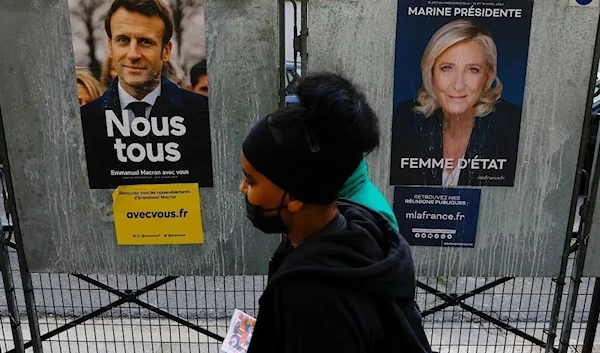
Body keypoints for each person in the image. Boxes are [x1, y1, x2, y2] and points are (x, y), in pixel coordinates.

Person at [240, 72, 431, 353]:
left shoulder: (311, 297)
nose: (242, 187)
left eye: (252, 180)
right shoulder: (361, 229)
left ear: (294, 196)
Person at [80, 0, 213, 189]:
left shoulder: (203, 115)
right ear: (110, 47)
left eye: (145, 41)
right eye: (123, 40)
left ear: (165, 51)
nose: (133, 54)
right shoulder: (84, 124)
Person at [390, 19, 521, 187]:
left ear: (487, 76)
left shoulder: (512, 126)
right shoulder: (406, 119)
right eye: (446, 68)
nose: (458, 85)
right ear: (431, 73)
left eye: (473, 70)